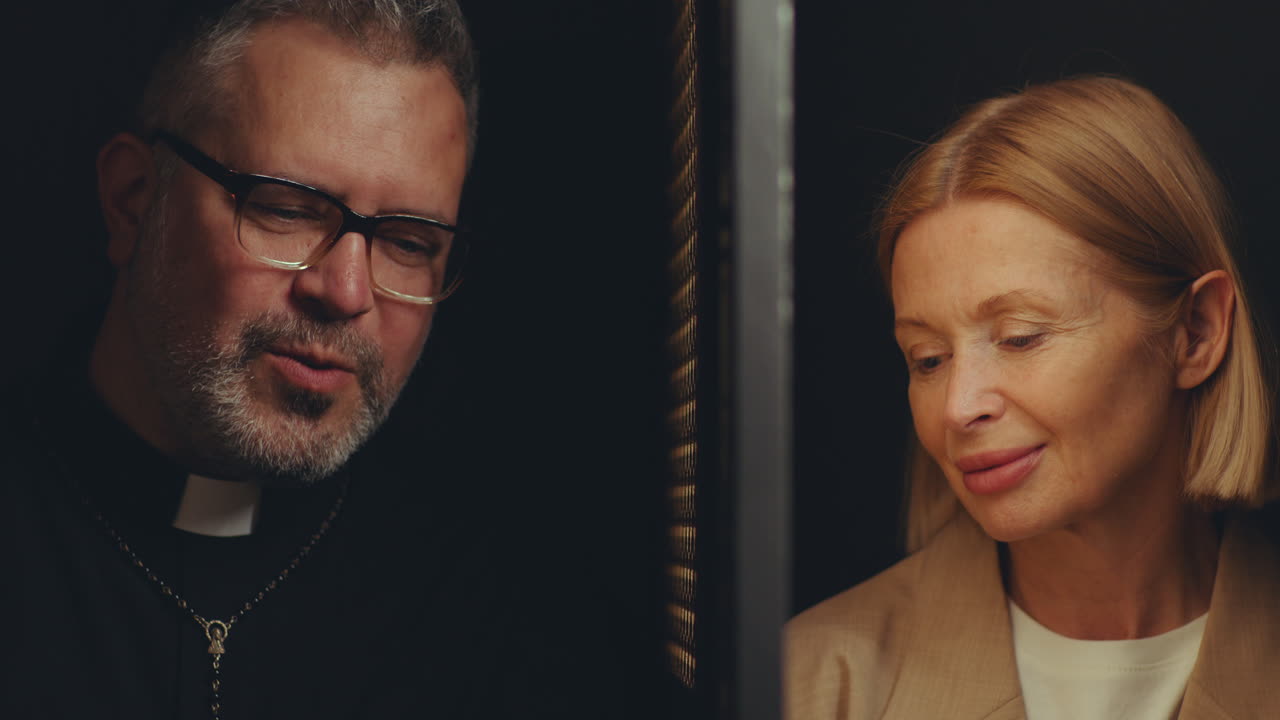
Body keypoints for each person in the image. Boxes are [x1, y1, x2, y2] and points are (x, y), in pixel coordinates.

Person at [2, 2, 621, 718]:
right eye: (287, 208)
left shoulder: (512, 617)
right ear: (133, 202)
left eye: (409, 243)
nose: (346, 291)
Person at [786, 76, 1280, 719]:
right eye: (928, 359)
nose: (958, 408)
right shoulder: (814, 683)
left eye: (1020, 338)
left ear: (1196, 333)